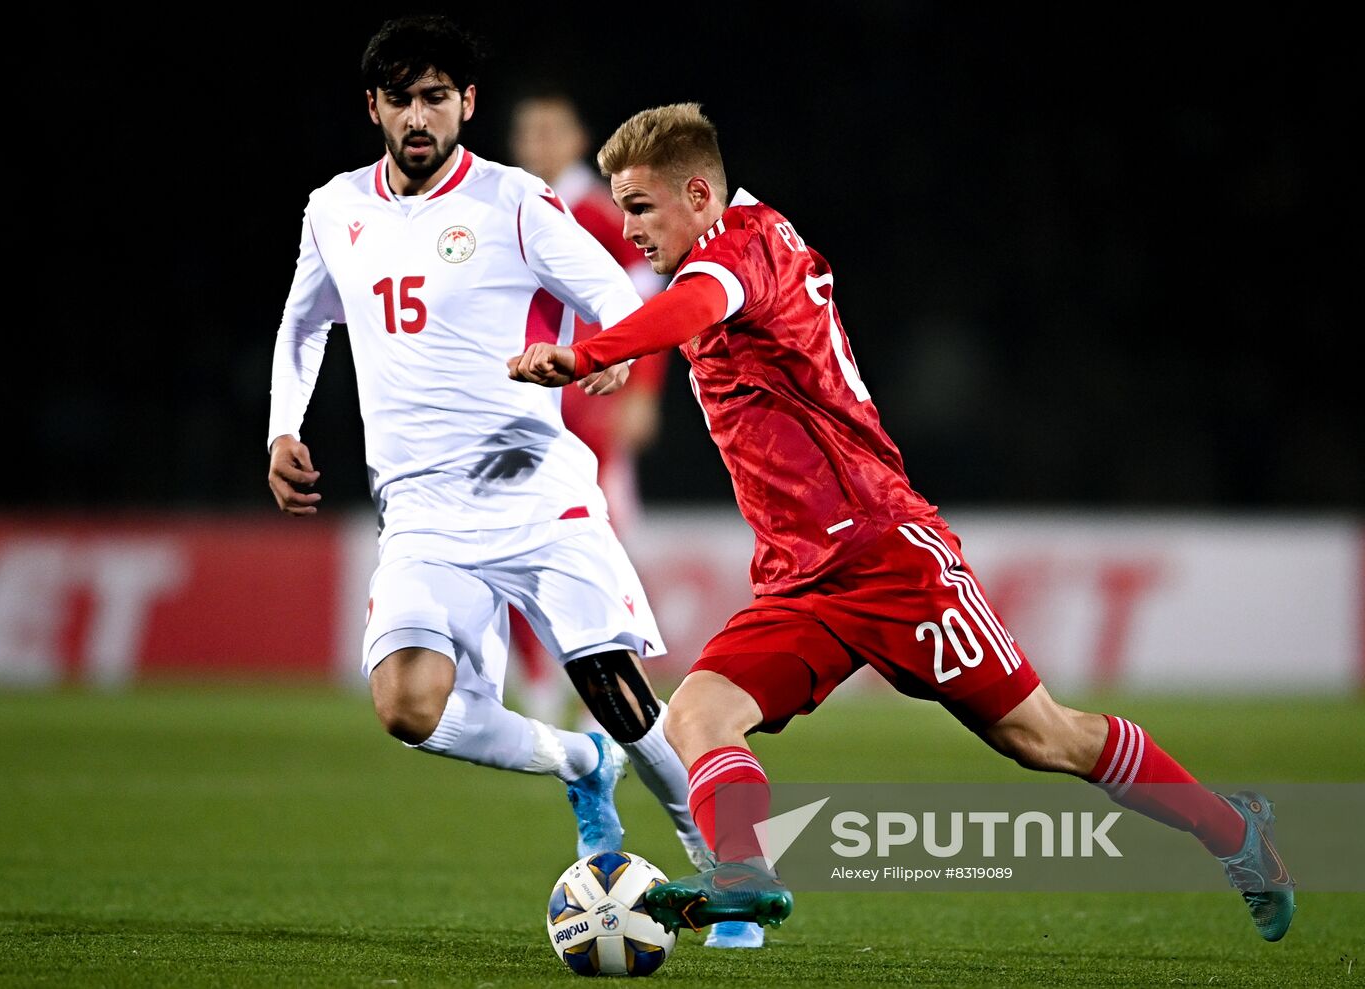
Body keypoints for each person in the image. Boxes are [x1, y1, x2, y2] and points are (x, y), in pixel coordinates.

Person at [507, 103, 1295, 944]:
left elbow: (698, 304)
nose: (628, 229)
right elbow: (688, 308)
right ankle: (744, 874)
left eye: (639, 207)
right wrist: (626, 341)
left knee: (1043, 737)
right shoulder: (728, 247)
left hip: (888, 552)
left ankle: (1234, 831)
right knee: (698, 712)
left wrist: (596, 350)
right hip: (803, 578)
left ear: (698, 193)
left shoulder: (742, 249)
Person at [265, 17, 710, 874]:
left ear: (466, 104)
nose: (418, 117)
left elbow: (612, 290)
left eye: (436, 98)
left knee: (611, 684)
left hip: (535, 492)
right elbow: (302, 324)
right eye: (401, 101)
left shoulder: (511, 201)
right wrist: (285, 424)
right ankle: (576, 763)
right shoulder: (335, 210)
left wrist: (608, 350)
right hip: (422, 513)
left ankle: (717, 856)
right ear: (376, 109)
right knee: (407, 705)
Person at [505, 90, 670, 732]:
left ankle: (613, 698)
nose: (539, 143)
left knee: (602, 548)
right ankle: (540, 689)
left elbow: (652, 302)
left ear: (577, 141)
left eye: (552, 130)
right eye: (528, 131)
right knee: (514, 541)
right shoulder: (509, 206)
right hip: (528, 404)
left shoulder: (598, 213)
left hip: (594, 403)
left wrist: (644, 388)